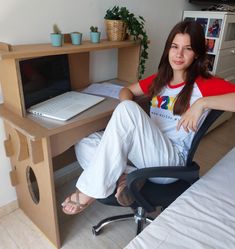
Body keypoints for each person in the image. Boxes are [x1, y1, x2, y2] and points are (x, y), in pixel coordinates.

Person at [62, 20, 235, 215]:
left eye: (187, 49)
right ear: (168, 49)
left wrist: (202, 103)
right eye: (174, 46)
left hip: (170, 163)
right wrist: (127, 108)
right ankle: (127, 176)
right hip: (145, 154)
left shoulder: (205, 83)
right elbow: (126, 90)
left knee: (125, 114)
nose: (178, 54)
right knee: (84, 141)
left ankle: (89, 191)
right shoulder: (161, 79)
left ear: (196, 54)